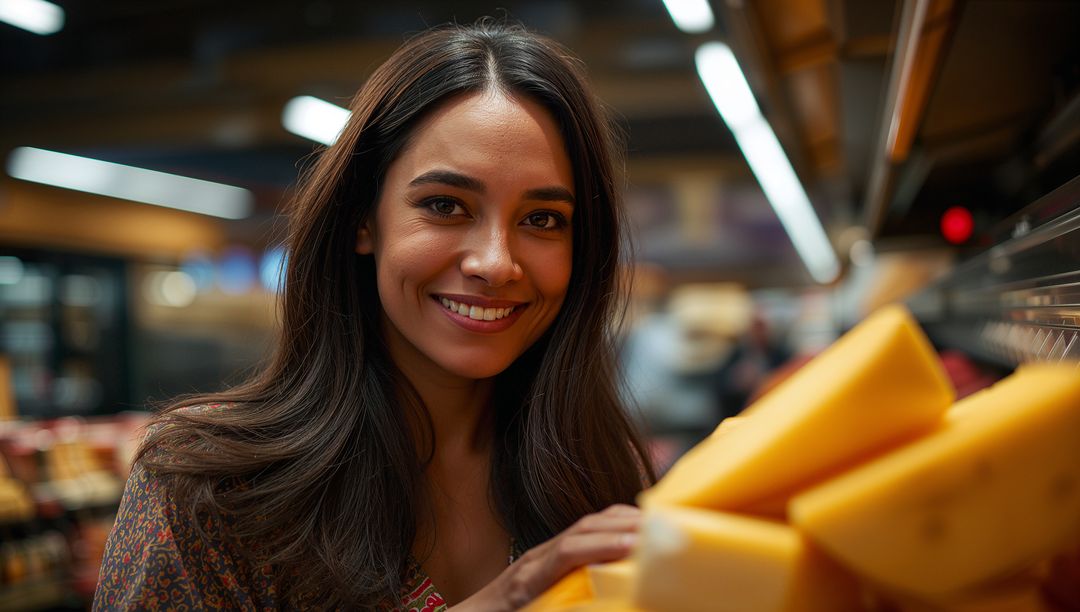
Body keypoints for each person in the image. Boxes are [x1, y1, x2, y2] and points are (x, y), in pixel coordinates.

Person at [93, 19, 655, 611]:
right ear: (364, 220)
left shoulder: (598, 474)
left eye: (542, 219)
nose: (496, 263)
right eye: (445, 205)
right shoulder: (205, 488)